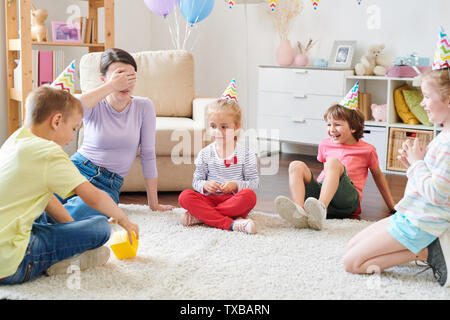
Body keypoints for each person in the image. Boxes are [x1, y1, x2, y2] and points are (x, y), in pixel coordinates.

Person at [0, 86, 139, 284]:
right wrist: (123, 218)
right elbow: (94, 196)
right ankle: (64, 260)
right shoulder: (48, 152)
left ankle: (65, 248)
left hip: (8, 241)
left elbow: (45, 197)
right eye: (73, 128)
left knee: (43, 213)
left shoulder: (15, 139)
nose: (72, 137)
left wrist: (72, 232)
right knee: (101, 227)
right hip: (12, 264)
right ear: (56, 121)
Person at [341, 67, 450, 287]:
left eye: (427, 97)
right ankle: (424, 248)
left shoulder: (448, 144)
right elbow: (429, 182)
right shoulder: (443, 137)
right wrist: (413, 163)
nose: (422, 103)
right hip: (411, 214)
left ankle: (426, 252)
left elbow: (437, 195)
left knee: (351, 263)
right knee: (352, 245)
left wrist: (417, 163)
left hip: (421, 222)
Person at [59, 48, 174, 220]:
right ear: (103, 79)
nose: (125, 83)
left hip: (108, 184)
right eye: (119, 76)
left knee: (81, 213)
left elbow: (148, 155)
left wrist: (153, 204)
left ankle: (46, 224)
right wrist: (111, 86)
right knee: (41, 199)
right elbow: (69, 109)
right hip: (78, 168)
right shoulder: (95, 102)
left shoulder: (144, 107)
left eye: (131, 77)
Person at [275, 82, 395, 231]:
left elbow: (378, 177)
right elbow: (325, 175)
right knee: (296, 165)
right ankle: (300, 212)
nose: (331, 130)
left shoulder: (367, 150)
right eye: (328, 124)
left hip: (347, 200)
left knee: (332, 162)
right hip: (324, 194)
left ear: (353, 127)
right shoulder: (325, 144)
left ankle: (320, 208)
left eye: (337, 124)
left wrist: (391, 206)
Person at [178, 80, 259, 234]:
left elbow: (254, 183)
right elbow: (197, 181)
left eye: (224, 127)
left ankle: (201, 216)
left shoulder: (246, 154)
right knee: (185, 196)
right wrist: (205, 185)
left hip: (232, 200)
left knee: (249, 196)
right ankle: (231, 224)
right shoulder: (205, 153)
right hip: (209, 199)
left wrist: (236, 185)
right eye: (213, 126)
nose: (218, 132)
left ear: (237, 127)